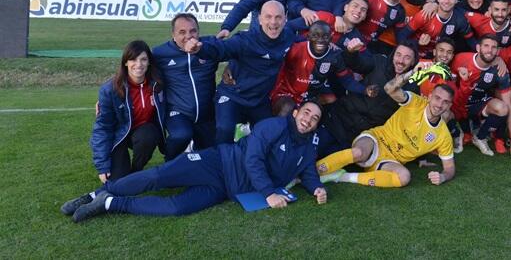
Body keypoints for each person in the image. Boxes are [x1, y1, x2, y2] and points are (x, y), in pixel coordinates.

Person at [62, 102, 327, 221]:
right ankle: (92, 195)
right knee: (158, 177)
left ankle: (109, 203)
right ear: (295, 113)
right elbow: (253, 159)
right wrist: (269, 193)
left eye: (314, 118)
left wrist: (316, 187)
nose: (309, 119)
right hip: (215, 162)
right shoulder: (273, 126)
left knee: (177, 208)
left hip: (224, 190)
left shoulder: (308, 145)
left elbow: (307, 170)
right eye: (306, 113)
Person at [182, 1, 295, 144]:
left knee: (269, 135)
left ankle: (251, 153)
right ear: (259, 19)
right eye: (268, 17)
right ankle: (219, 161)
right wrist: (199, 50)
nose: (273, 22)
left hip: (259, 100)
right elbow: (221, 49)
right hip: (233, 95)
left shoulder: (289, 36)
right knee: (225, 130)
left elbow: (306, 40)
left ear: (285, 18)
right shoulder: (245, 39)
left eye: (278, 17)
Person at [317, 73, 455, 188]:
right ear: (430, 97)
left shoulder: (443, 135)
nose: (440, 104)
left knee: (404, 177)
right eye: (437, 98)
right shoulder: (416, 102)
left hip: (390, 161)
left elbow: (450, 168)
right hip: (376, 140)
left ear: (450, 105)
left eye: (445, 102)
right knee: (359, 153)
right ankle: (312, 172)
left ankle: (343, 177)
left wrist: (442, 176)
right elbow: (390, 88)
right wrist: (410, 74)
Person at [90, 41, 166, 184]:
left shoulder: (157, 84)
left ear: (149, 62)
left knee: (148, 135)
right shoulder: (109, 90)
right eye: (133, 59)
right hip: (118, 137)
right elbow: (102, 129)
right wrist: (102, 166)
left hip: (142, 133)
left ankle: (136, 170)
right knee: (116, 182)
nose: (139, 64)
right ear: (125, 62)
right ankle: (121, 169)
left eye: (143, 59)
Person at [152, 14, 219, 160]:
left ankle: (195, 150)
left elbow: (237, 51)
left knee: (210, 157)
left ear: (199, 32)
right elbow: (134, 67)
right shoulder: (159, 53)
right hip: (178, 112)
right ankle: (169, 163)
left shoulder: (210, 46)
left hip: (207, 114)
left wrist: (231, 68)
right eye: (182, 32)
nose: (188, 36)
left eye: (193, 31)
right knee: (181, 135)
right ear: (173, 35)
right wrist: (111, 91)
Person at [269, 21, 368, 116]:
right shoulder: (295, 49)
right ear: (308, 36)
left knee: (324, 106)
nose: (320, 40)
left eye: (325, 36)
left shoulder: (335, 57)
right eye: (315, 36)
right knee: (286, 108)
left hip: (310, 98)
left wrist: (365, 90)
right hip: (286, 93)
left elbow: (346, 80)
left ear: (331, 38)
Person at [451, 34, 511, 159]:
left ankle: (479, 137)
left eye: (494, 47)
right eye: (486, 46)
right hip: (456, 104)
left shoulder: (500, 71)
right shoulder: (460, 59)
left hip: (477, 105)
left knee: (503, 108)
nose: (489, 50)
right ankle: (458, 132)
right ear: (478, 47)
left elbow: (509, 105)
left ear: (498, 51)